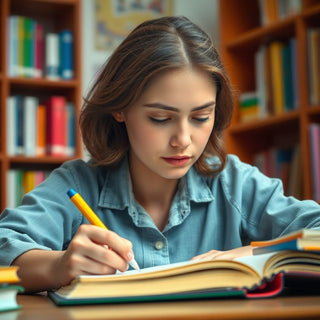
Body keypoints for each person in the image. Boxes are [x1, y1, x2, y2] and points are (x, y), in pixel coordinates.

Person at [0, 16, 319, 293]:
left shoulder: (234, 184)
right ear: (120, 109)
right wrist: (59, 266)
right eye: (160, 118)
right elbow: (5, 244)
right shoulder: (79, 184)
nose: (183, 140)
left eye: (200, 117)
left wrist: (248, 255)